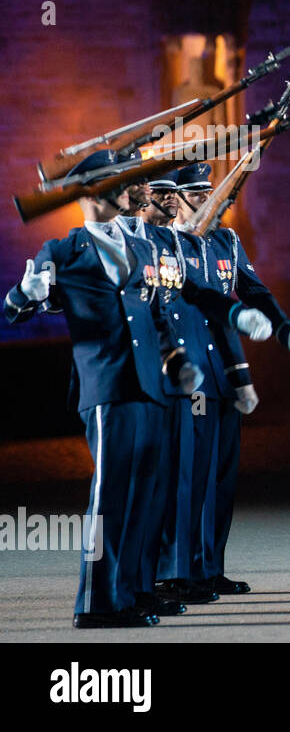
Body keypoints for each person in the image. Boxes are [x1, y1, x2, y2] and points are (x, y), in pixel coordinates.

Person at [5, 150, 271, 628]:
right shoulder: (65, 249)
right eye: (126, 181)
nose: (139, 187)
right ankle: (96, 602)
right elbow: (16, 309)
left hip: (153, 383)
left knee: (146, 493)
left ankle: (131, 592)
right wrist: (26, 293)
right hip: (108, 382)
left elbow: (158, 311)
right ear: (95, 191)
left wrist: (176, 359)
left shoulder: (143, 246)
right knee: (110, 493)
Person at [166, 163, 290, 594]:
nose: (206, 201)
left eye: (210, 194)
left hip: (223, 375)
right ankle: (181, 573)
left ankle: (210, 567)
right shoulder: (168, 245)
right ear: (177, 199)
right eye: (197, 194)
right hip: (188, 372)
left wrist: (287, 331)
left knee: (220, 476)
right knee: (190, 477)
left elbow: (255, 292)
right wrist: (237, 314)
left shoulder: (226, 242)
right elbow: (203, 297)